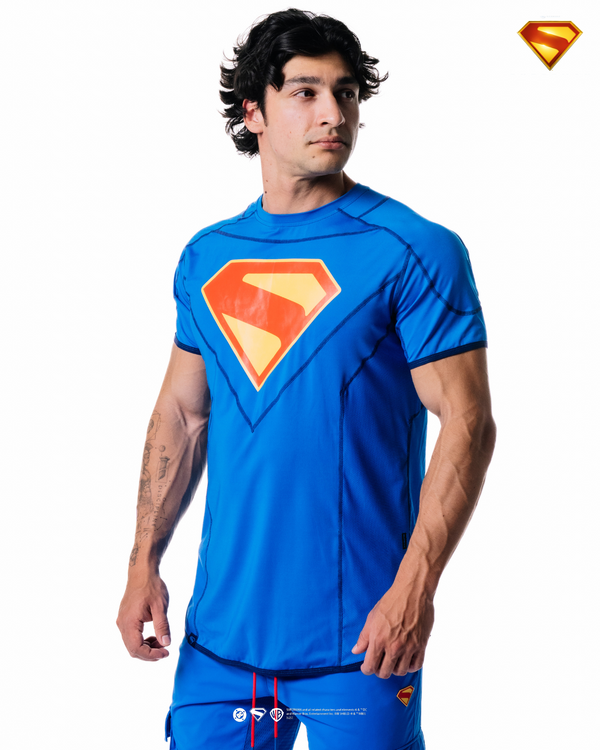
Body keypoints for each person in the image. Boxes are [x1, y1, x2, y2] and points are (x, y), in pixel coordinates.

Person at [116, 8, 496, 750]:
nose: (334, 114)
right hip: (219, 644)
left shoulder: (413, 249)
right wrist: (141, 566)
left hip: (363, 643)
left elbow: (468, 421)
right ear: (252, 112)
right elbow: (181, 417)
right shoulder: (208, 255)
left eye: (346, 93)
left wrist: (415, 588)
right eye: (305, 92)